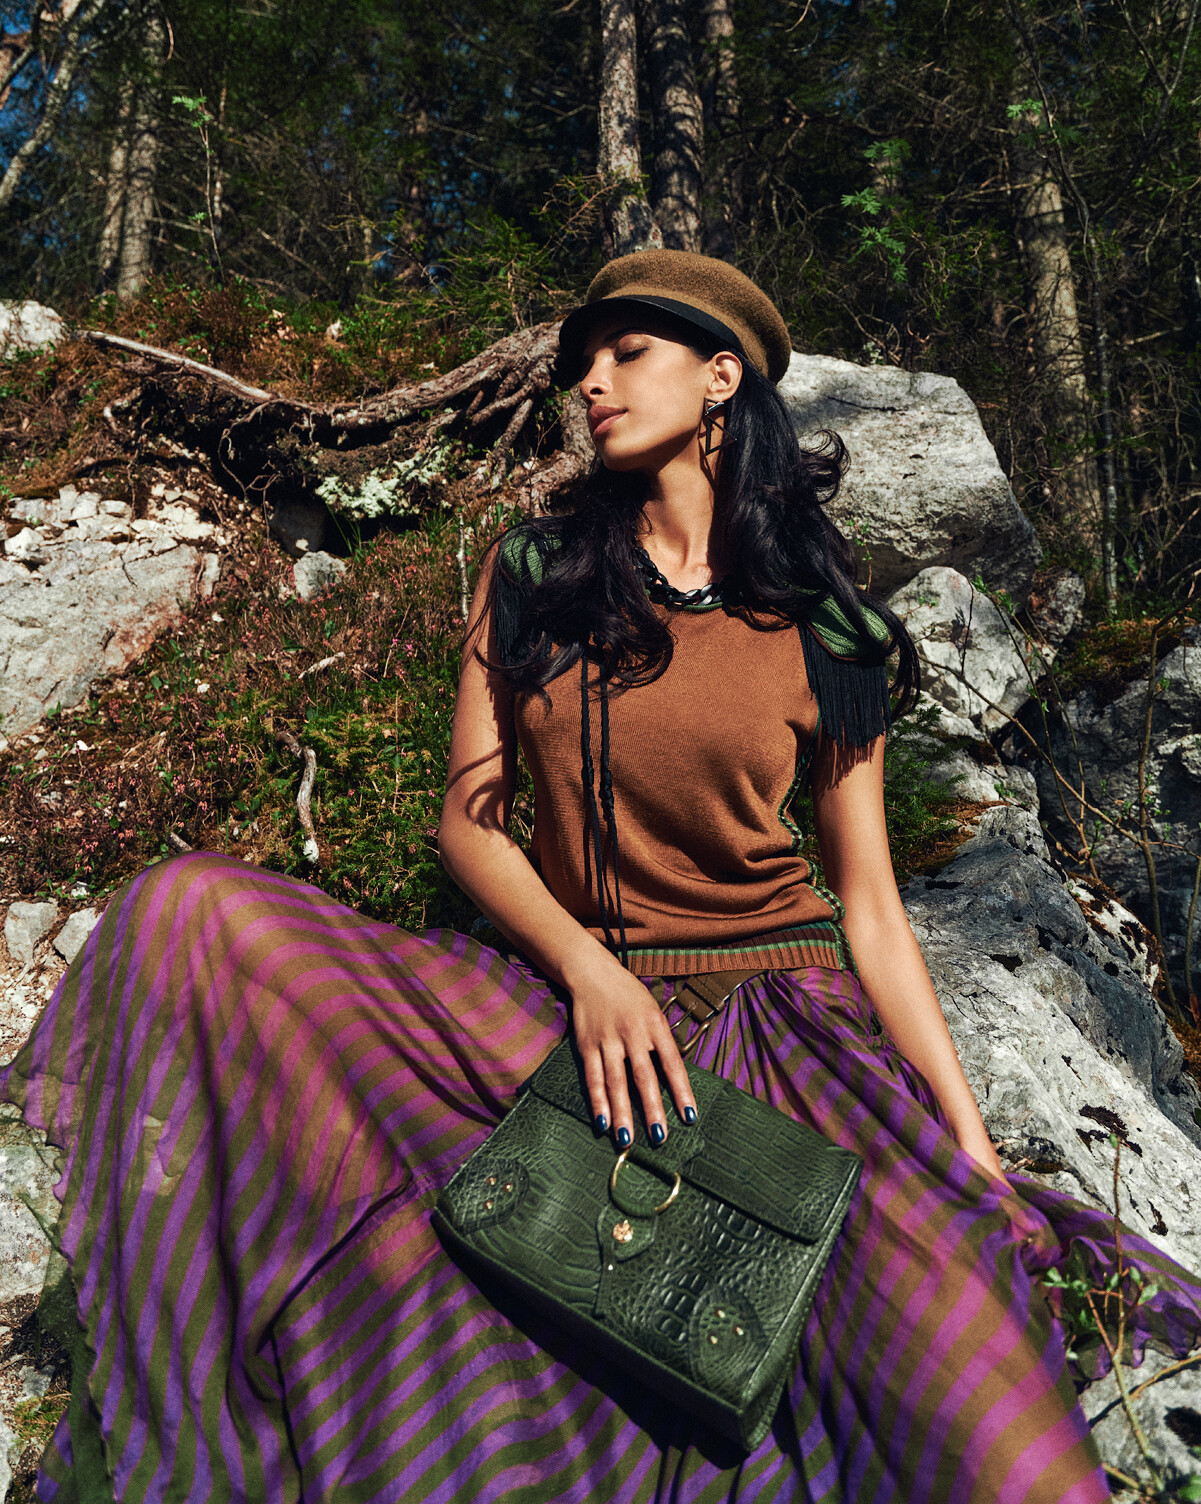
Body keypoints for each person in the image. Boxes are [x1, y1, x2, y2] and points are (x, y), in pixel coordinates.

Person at [3, 251, 1199, 1504]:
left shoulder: (822, 620)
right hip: (564, 1006)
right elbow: (470, 823)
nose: (589, 380)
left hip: (784, 1021)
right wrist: (585, 969)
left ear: (720, 376)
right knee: (203, 910)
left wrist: (971, 1149)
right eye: (584, 360)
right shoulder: (536, 570)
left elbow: (872, 908)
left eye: (627, 352)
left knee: (970, 1409)